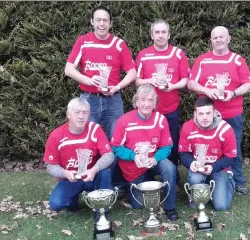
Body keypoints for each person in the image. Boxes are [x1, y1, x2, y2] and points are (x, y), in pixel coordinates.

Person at [187, 26, 250, 195]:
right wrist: (206, 90)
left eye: (221, 37)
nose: (218, 40)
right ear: (211, 41)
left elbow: (249, 85)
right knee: (204, 147)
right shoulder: (203, 60)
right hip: (207, 115)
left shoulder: (238, 60)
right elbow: (190, 83)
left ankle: (237, 180)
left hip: (232, 113)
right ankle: (203, 176)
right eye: (215, 38)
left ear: (229, 38)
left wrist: (233, 92)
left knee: (234, 148)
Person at [64, 5, 136, 141]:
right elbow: (68, 69)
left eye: (105, 20)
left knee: (116, 139)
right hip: (88, 99)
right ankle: (93, 164)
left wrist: (117, 87)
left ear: (110, 23)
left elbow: (132, 73)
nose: (101, 24)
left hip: (113, 99)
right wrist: (89, 81)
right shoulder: (83, 41)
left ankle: (113, 164)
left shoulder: (119, 44)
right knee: (87, 139)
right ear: (92, 21)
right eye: (98, 20)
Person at [110, 84, 179, 221]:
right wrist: (133, 156)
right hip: (134, 166)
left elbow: (167, 146)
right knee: (138, 204)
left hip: (153, 162)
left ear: (155, 103)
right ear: (136, 101)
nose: (147, 104)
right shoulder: (124, 121)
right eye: (143, 99)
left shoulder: (160, 119)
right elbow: (116, 147)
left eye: (151, 100)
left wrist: (155, 159)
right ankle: (134, 184)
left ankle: (170, 207)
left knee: (169, 167)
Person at [135, 19, 190, 183]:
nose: (160, 35)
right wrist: (150, 80)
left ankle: (171, 176)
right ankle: (147, 175)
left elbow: (185, 80)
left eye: (163, 32)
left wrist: (172, 86)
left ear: (169, 34)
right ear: (151, 35)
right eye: (157, 32)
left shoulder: (178, 54)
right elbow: (137, 81)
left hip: (170, 109)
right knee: (148, 144)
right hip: (148, 111)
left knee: (171, 145)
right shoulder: (143, 55)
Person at [43, 97, 114, 212]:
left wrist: (95, 169)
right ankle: (73, 200)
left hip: (92, 176)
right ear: (68, 114)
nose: (81, 116)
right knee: (56, 203)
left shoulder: (95, 129)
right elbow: (50, 166)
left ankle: (101, 207)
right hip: (70, 178)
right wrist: (65, 173)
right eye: (77, 112)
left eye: (85, 112)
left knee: (104, 173)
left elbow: (109, 155)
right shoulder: (56, 135)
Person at [179, 97, 237, 210]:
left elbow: (231, 157)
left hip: (219, 168)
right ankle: (202, 187)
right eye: (201, 114)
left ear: (214, 113)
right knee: (195, 203)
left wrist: (213, 167)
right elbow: (183, 153)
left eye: (208, 113)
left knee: (220, 206)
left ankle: (229, 183)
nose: (204, 117)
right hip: (199, 168)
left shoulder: (225, 129)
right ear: (195, 114)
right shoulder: (187, 127)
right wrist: (191, 163)